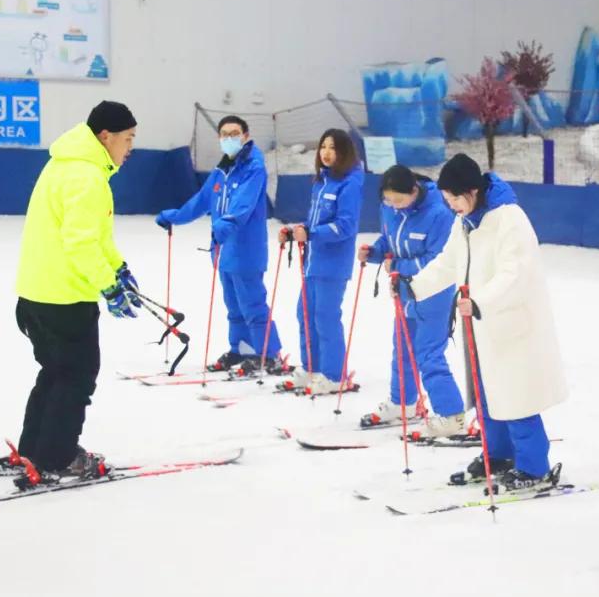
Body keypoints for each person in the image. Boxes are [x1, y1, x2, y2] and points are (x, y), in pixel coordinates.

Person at [406, 154, 568, 490]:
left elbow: (517, 273)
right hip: (480, 327)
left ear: (473, 190)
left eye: (454, 199)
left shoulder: (508, 218)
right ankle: (498, 455)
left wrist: (480, 301)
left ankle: (535, 467)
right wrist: (414, 285)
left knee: (516, 397)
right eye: (446, 201)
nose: (451, 206)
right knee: (486, 395)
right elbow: (449, 262)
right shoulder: (465, 222)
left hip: (512, 323)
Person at [13, 101, 140, 485]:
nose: (130, 147)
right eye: (128, 138)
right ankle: (58, 457)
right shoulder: (87, 177)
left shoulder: (65, 164)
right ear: (106, 137)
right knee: (76, 377)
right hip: (64, 297)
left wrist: (117, 267)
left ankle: (34, 449)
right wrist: (108, 286)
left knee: (54, 372)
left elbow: (96, 237)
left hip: (36, 293)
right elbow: (81, 243)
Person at [156, 115, 283, 373]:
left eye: (234, 133)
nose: (229, 138)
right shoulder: (222, 169)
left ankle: (269, 354)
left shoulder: (253, 167)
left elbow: (243, 205)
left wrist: (225, 225)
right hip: (223, 251)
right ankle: (241, 350)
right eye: (224, 134)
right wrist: (176, 216)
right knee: (234, 306)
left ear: (245, 136)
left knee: (252, 304)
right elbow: (202, 200)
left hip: (245, 249)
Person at [358, 165, 466, 436]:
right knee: (403, 350)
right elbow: (390, 240)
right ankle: (402, 403)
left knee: (429, 354)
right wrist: (375, 252)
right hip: (404, 292)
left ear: (414, 191)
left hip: (434, 293)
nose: (394, 206)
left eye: (399, 200)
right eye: (388, 200)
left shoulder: (439, 214)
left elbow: (440, 260)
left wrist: (398, 265)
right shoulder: (390, 209)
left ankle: (452, 416)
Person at [281, 128, 364, 393]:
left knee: (325, 317)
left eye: (333, 148)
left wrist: (313, 233)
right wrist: (298, 230)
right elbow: (316, 221)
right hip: (313, 262)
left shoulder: (350, 183)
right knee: (304, 314)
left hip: (333, 264)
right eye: (323, 147)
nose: (327, 153)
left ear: (345, 153)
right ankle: (311, 367)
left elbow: (346, 226)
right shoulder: (321, 181)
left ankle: (333, 375)